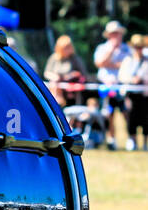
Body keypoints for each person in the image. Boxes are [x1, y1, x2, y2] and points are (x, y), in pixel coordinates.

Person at [93, 20, 131, 150]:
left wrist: (110, 64)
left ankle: (130, 139)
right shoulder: (102, 48)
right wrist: (110, 53)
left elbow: (128, 66)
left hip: (122, 86)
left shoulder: (127, 49)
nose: (116, 36)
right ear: (109, 35)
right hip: (105, 86)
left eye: (118, 33)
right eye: (113, 33)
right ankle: (110, 139)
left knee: (126, 111)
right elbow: (99, 63)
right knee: (108, 114)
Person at [118, 33, 148, 150]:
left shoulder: (146, 61)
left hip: (144, 95)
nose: (138, 49)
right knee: (131, 118)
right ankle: (133, 141)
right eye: (136, 46)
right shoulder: (128, 60)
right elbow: (122, 76)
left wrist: (142, 79)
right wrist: (132, 79)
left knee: (145, 118)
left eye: (140, 46)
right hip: (130, 94)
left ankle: (145, 143)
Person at [43, 35, 87, 107]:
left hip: (71, 88)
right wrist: (55, 77)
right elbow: (46, 73)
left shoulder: (75, 59)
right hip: (56, 86)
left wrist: (71, 76)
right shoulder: (54, 58)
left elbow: (82, 74)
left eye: (68, 47)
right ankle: (56, 100)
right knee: (54, 82)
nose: (67, 49)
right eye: (65, 47)